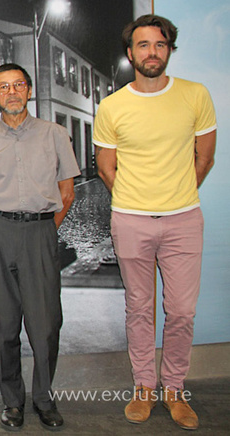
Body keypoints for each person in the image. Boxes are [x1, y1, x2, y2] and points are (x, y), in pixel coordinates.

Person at [94, 14, 217, 431]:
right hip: (130, 220)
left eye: (160, 45)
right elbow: (106, 168)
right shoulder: (112, 106)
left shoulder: (195, 95)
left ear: (169, 50)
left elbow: (205, 158)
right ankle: (145, 387)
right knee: (139, 309)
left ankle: (175, 389)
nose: (152, 52)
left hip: (184, 218)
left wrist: (176, 194)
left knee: (181, 311)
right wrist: (138, 199)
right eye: (143, 45)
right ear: (131, 54)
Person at [0, 64, 79, 431]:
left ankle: (44, 398)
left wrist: (43, 230)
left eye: (18, 85)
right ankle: (12, 401)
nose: (12, 92)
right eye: (4, 87)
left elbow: (66, 192)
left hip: (41, 232)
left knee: (46, 324)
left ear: (29, 90)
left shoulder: (56, 134)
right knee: (4, 325)